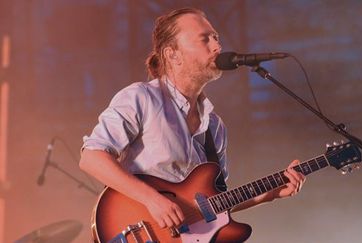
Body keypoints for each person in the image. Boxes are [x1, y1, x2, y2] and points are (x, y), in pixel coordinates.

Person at [79, 7, 305, 237]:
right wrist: (152, 199)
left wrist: (269, 193)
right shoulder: (141, 98)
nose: (217, 46)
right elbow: (91, 157)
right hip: (135, 231)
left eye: (216, 38)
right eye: (204, 39)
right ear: (172, 54)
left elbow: (213, 203)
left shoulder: (215, 126)